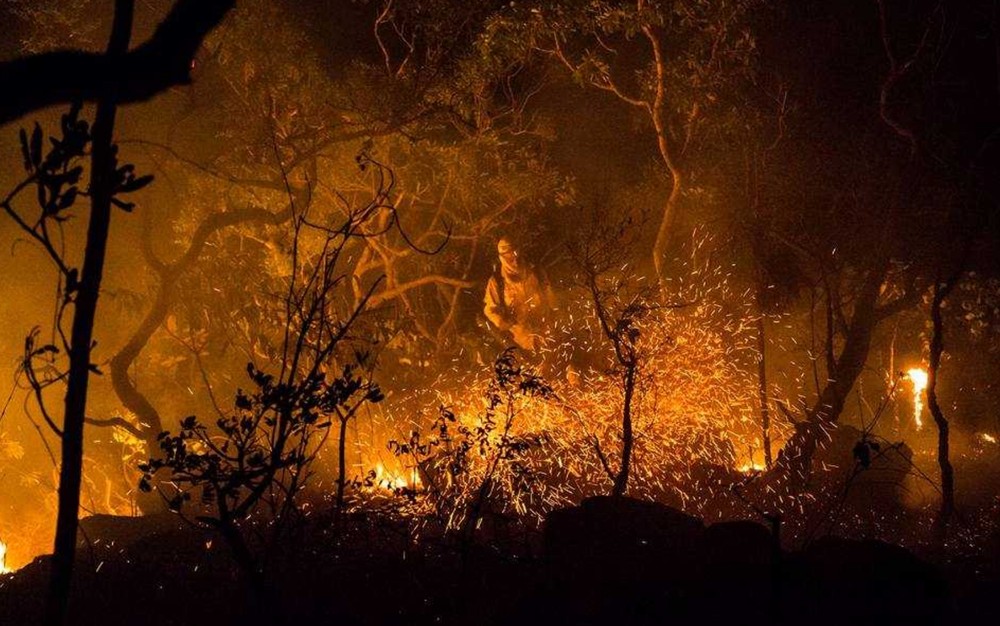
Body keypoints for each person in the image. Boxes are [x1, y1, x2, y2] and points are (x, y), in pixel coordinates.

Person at [483, 237, 558, 353]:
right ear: (502, 257)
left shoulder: (535, 271)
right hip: (521, 342)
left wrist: (556, 314)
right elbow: (490, 309)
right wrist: (502, 322)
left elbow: (550, 296)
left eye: (516, 253)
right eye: (509, 256)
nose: (514, 259)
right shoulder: (497, 281)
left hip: (547, 334)